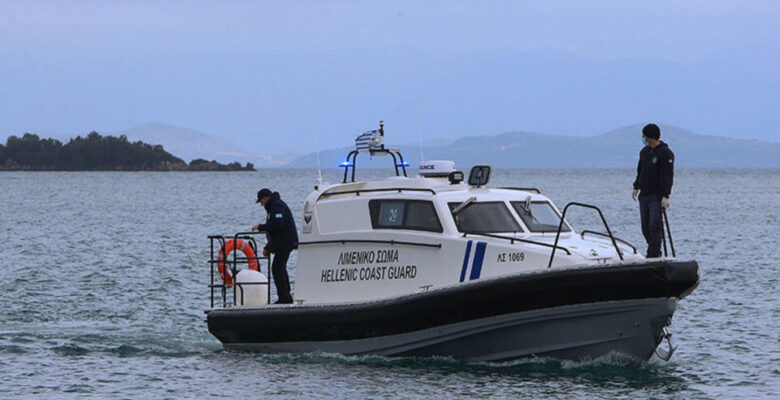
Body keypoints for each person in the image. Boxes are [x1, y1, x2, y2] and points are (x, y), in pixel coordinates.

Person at [632, 123, 674, 258]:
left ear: (650, 137)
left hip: (657, 195)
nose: (643, 138)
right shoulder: (644, 152)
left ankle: (654, 252)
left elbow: (667, 175)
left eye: (644, 135)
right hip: (644, 194)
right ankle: (653, 247)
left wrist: (666, 195)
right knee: (645, 226)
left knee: (654, 224)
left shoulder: (665, 153)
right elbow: (640, 171)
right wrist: (636, 186)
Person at [252, 188, 298, 304]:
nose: (262, 204)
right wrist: (268, 247)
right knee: (279, 268)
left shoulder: (277, 206)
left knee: (277, 268)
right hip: (283, 242)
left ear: (266, 197)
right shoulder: (273, 206)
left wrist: (261, 227)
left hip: (286, 243)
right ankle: (286, 296)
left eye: (262, 201)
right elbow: (274, 232)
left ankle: (284, 297)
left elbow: (278, 224)